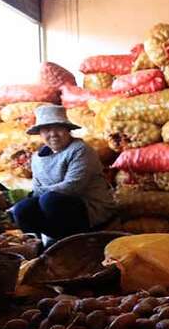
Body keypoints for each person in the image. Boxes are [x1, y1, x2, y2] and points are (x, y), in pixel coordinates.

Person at [11, 104, 115, 244]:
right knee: (22, 209)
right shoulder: (37, 158)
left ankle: (66, 242)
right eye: (47, 130)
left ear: (67, 130)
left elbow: (72, 187)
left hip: (89, 207)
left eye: (58, 128)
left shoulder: (80, 150)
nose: (53, 134)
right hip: (55, 209)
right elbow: (37, 187)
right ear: (40, 134)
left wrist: (36, 193)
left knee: (49, 200)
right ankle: (53, 243)